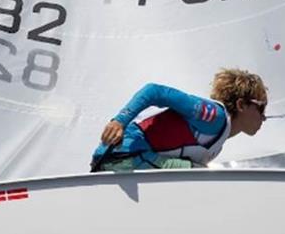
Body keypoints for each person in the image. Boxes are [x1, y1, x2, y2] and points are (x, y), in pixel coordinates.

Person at [91, 68, 267, 171]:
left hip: (121, 161)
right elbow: (154, 91)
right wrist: (119, 121)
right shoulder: (214, 116)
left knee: (201, 175)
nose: (264, 117)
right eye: (261, 107)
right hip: (123, 155)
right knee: (204, 177)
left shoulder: (218, 143)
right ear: (241, 105)